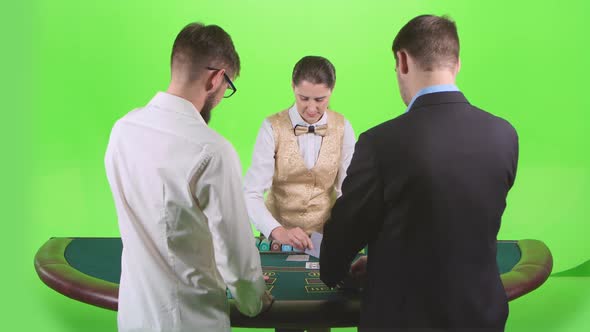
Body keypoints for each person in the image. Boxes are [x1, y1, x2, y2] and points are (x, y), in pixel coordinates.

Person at [320, 15, 518, 332]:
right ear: (457, 63)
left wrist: (332, 272)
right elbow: (457, 225)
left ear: (402, 60)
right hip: (481, 317)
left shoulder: (380, 143)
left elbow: (344, 235)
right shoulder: (505, 135)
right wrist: (388, 259)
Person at [104, 23, 273, 332]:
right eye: (228, 88)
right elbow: (234, 252)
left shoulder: (122, 130)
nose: (223, 96)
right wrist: (254, 299)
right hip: (192, 322)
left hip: (134, 317)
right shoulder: (212, 150)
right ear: (216, 78)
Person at [244, 55, 356, 251]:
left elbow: (348, 191)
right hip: (277, 241)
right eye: (303, 98)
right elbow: (251, 192)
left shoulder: (343, 127)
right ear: (293, 87)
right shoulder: (271, 126)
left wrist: (340, 230)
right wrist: (277, 231)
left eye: (320, 99)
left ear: (332, 89)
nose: (311, 108)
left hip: (326, 238)